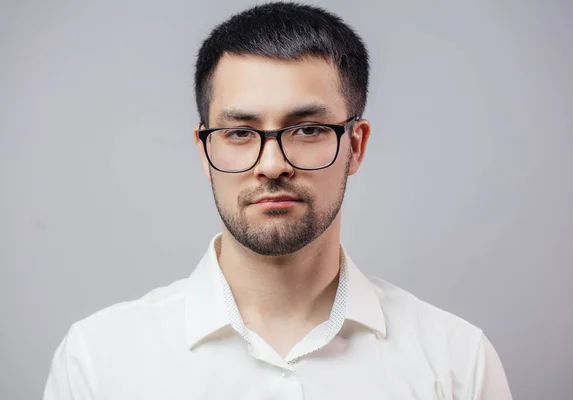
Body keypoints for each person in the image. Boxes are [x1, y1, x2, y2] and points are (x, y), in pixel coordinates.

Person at [44, 2, 512, 399]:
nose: (271, 164)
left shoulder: (456, 362)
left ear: (356, 146)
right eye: (240, 132)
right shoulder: (99, 361)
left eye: (307, 129)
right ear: (205, 150)